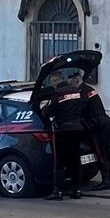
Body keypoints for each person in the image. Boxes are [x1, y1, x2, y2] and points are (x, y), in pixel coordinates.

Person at [40, 70, 88, 200]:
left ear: (55, 81)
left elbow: (49, 112)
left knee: (59, 161)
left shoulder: (57, 93)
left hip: (62, 130)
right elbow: (84, 106)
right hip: (77, 128)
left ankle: (57, 191)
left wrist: (43, 108)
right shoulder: (77, 92)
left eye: (53, 83)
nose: (53, 86)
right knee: (75, 160)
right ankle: (77, 190)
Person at [80, 78, 110, 191]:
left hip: (97, 125)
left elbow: (81, 109)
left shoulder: (83, 92)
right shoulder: (90, 90)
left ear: (76, 81)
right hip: (104, 121)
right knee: (108, 150)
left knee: (101, 152)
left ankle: (106, 181)